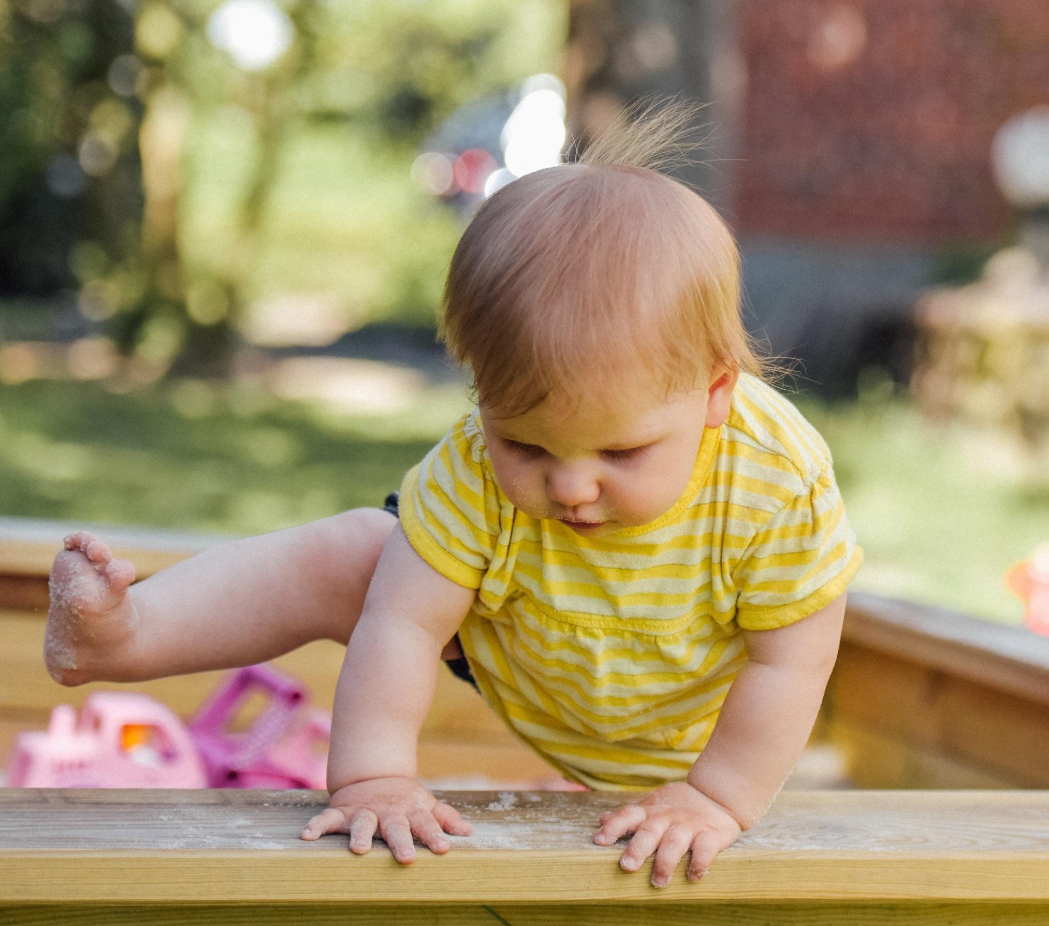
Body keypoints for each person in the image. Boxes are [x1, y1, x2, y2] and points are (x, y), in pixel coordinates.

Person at [44, 102, 862, 888]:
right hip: (527, 643)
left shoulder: (772, 481)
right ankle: (126, 635)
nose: (571, 487)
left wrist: (716, 796)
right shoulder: (471, 465)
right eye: (526, 444)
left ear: (716, 393)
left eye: (622, 450)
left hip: (696, 718)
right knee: (358, 555)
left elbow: (792, 659)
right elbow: (402, 624)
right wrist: (371, 779)